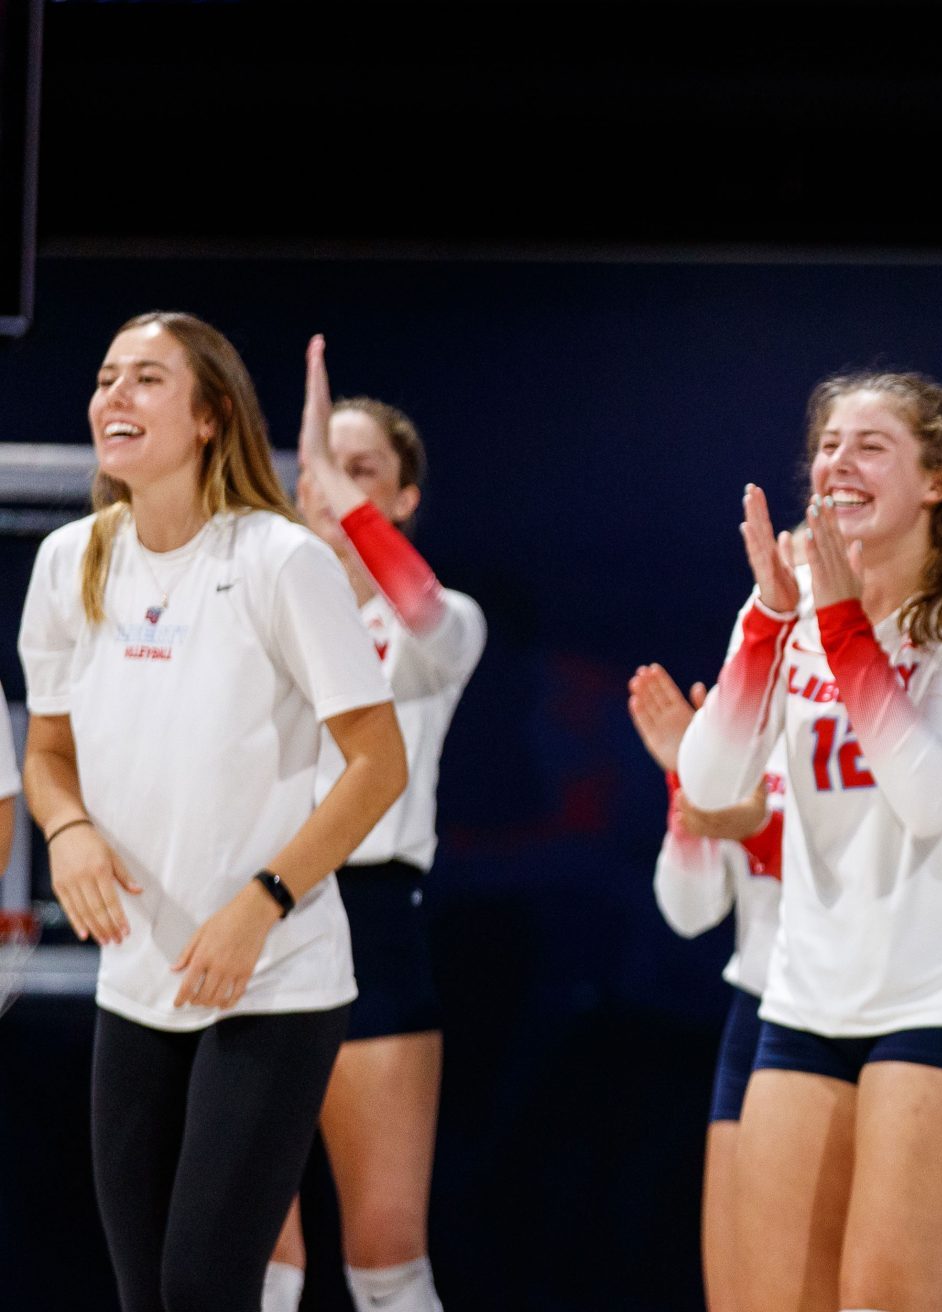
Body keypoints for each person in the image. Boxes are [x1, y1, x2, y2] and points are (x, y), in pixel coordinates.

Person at [22, 311, 406, 1312]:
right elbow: (48, 754)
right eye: (106, 377)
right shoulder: (70, 561)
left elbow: (378, 762)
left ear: (208, 417)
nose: (114, 396)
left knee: (204, 1288)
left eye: (146, 379)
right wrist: (65, 831)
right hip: (139, 979)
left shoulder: (280, 561)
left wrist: (264, 898)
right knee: (145, 1293)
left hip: (272, 978)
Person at [679, 370, 942, 1312]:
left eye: (871, 445)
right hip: (806, 1000)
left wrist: (842, 626)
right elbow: (711, 786)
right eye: (827, 445)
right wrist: (770, 624)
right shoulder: (791, 608)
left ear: (938, 483)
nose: (837, 462)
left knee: (881, 1299)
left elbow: (929, 795)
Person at [264, 336, 487, 1312]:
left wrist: (326, 483)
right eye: (321, 469)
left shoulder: (444, 627)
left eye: (364, 474)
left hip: (374, 919)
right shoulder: (252, 608)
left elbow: (427, 613)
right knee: (254, 1251)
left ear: (402, 502)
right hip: (252, 911)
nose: (333, 489)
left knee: (386, 1254)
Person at [630, 662, 785, 1312]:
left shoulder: (880, 688)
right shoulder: (745, 709)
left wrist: (751, 826)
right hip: (758, 1012)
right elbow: (690, 910)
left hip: (861, 1008)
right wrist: (684, 781)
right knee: (739, 1294)